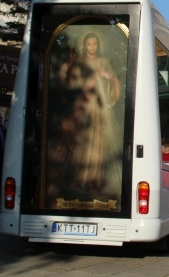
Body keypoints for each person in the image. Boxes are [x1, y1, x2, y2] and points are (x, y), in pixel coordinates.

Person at [47, 32, 123, 208]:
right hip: (82, 109)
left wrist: (109, 77)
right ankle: (77, 179)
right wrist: (72, 61)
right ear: (85, 46)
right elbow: (68, 82)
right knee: (78, 145)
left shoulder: (104, 62)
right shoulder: (80, 62)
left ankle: (93, 182)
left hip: (99, 110)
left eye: (95, 43)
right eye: (89, 44)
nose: (92, 47)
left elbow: (113, 82)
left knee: (97, 146)